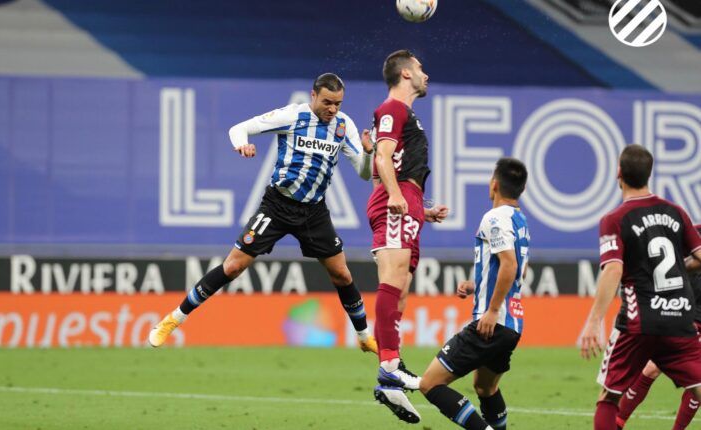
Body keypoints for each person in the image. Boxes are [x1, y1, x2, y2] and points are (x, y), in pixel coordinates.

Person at [148, 73, 379, 354]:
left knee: (341, 275)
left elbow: (365, 173)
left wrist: (369, 153)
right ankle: (173, 320)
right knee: (233, 266)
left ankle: (365, 336)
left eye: (338, 104)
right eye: (327, 102)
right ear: (313, 95)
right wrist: (241, 144)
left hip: (314, 212)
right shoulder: (292, 116)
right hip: (277, 206)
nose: (333, 110)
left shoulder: (344, 125)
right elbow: (239, 128)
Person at [381, 158, 529, 429]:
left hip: (492, 323)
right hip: (513, 325)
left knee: (430, 384)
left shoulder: (494, 217)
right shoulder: (519, 220)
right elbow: (521, 272)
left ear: (494, 184)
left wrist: (492, 310)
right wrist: (478, 285)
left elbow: (510, 265)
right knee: (485, 388)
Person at [580, 144, 701, 430]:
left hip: (639, 321)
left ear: (618, 174)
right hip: (680, 318)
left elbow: (613, 269)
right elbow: (699, 257)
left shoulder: (614, 219)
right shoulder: (676, 212)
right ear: (650, 174)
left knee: (608, 397)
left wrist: (594, 320)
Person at [368, 49, 449, 423]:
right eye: (420, 68)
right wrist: (399, 195)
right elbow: (382, 159)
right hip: (396, 198)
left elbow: (390, 159)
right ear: (404, 73)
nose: (426, 74)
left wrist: (420, 207)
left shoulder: (405, 114)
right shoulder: (393, 110)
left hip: (408, 201)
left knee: (400, 293)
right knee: (393, 281)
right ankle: (390, 366)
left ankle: (389, 382)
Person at [615, 225, 701, 430]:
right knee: (651, 369)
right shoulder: (692, 233)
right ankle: (618, 421)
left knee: (696, 379)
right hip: (681, 316)